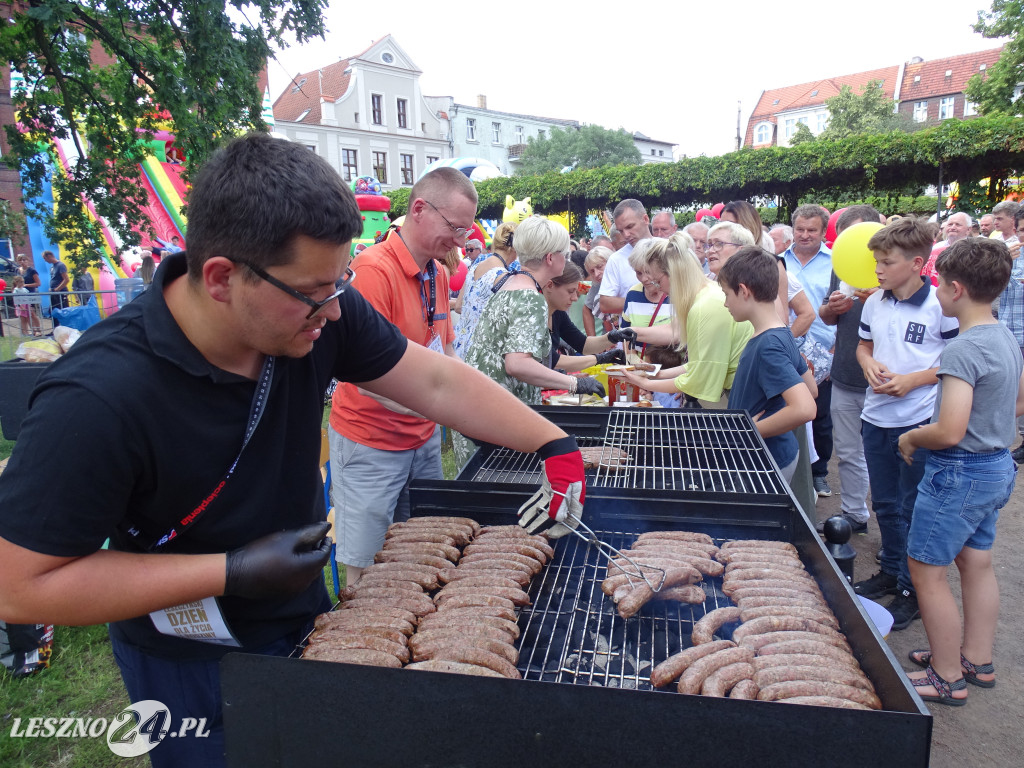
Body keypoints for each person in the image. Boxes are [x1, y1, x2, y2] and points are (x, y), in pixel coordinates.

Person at [0, 134, 585, 768]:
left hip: (305, 621)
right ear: (222, 278)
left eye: (340, 285)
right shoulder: (96, 397)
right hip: (187, 660)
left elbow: (436, 381)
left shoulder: (317, 306)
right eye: (316, 293)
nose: (334, 312)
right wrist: (230, 571)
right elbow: (21, 586)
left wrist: (551, 442)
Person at [897, 237, 1022, 705]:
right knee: (976, 561)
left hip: (960, 472)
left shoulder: (963, 349)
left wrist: (912, 437)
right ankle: (975, 660)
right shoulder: (1004, 335)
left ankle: (947, 677)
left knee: (926, 570)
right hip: (996, 465)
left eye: (938, 283)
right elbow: (1017, 402)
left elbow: (949, 430)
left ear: (955, 289)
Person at [329, 168, 465, 585]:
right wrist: (438, 405)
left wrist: (465, 400)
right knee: (366, 566)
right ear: (420, 209)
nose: (460, 241)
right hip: (371, 442)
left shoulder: (438, 273)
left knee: (423, 552)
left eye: (465, 230)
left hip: (422, 439)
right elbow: (364, 373)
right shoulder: (373, 270)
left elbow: (446, 352)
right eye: (454, 227)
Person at [852, 217, 959, 632]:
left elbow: (955, 360)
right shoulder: (874, 302)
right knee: (884, 503)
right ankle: (892, 569)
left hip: (917, 421)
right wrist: (867, 362)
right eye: (876, 261)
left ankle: (913, 589)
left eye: (887, 262)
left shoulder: (940, 306)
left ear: (916, 263)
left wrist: (913, 380)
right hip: (875, 416)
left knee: (913, 507)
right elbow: (864, 344)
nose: (878, 270)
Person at [457, 216, 604, 466]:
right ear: (550, 258)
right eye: (564, 254)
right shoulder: (531, 297)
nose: (566, 258)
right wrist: (575, 383)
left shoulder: (510, 282)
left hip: (479, 414)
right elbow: (518, 364)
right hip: (496, 420)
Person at [718, 247, 817, 482]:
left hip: (762, 461)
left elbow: (805, 408)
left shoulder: (768, 346)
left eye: (726, 294)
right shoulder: (781, 331)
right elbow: (811, 390)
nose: (725, 303)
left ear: (743, 291)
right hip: (772, 455)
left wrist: (750, 431)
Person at [621, 233, 753, 405]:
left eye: (658, 281)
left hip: (740, 395)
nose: (659, 288)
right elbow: (698, 364)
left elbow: (700, 377)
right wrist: (655, 373)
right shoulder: (707, 296)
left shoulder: (705, 306)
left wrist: (645, 382)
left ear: (675, 274)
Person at [818, 205, 883, 534]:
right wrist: (833, 308)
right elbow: (826, 315)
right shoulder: (842, 264)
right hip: (845, 373)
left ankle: (893, 531)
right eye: (843, 239)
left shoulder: (894, 272)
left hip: (883, 381)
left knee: (884, 457)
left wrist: (879, 299)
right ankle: (855, 513)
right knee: (847, 452)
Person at [783, 204, 835, 498]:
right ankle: (796, 470)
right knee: (790, 411)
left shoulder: (834, 263)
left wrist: (836, 346)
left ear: (823, 231)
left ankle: (819, 473)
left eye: (811, 230)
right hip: (786, 346)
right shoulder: (780, 260)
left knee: (820, 414)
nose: (804, 235)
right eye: (799, 229)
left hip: (823, 349)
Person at [452, 221, 518, 358]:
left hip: (459, 345)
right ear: (515, 247)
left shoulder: (475, 267)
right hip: (481, 354)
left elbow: (458, 306)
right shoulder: (504, 277)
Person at [599, 200, 653, 317]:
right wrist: (644, 301)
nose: (626, 235)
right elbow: (604, 304)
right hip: (631, 328)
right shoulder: (616, 259)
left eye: (630, 227)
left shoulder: (669, 250)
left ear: (645, 219)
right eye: (621, 231)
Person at [1003, 209, 1024, 462]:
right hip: (1010, 333)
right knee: (1015, 389)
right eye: (1021, 230)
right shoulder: (1011, 255)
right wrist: (1003, 263)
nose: (1022, 235)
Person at [922, 212, 972, 285]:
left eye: (958, 224)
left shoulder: (973, 248)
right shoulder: (937, 247)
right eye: (950, 224)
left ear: (968, 230)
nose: (953, 227)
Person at [582, 246, 611, 336]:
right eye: (592, 271)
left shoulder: (580, 286)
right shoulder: (588, 285)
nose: (596, 274)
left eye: (599, 267)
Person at [16, 253, 43, 336]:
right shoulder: (17, 270)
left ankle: (38, 330)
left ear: (27, 260)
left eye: (24, 260)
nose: (22, 262)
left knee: (32, 313)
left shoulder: (32, 271)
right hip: (20, 295)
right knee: (23, 314)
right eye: (20, 260)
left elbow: (38, 283)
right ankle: (27, 331)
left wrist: (26, 285)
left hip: (30, 294)